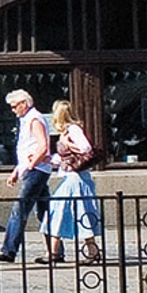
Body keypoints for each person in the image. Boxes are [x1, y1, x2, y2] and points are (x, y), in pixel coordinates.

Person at [0, 87, 56, 262]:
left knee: (19, 209)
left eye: (14, 106)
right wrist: (17, 170)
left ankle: (9, 250)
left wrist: (30, 164)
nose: (13, 110)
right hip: (33, 170)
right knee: (44, 212)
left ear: (24, 103)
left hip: (36, 171)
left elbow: (43, 145)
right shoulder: (27, 119)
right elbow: (25, 148)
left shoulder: (35, 118)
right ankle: (55, 251)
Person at [45, 109, 101, 264]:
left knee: (63, 211)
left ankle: (54, 253)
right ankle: (92, 251)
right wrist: (48, 159)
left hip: (76, 178)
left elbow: (86, 149)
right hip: (70, 176)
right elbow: (65, 158)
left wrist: (68, 143)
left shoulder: (73, 130)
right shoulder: (67, 132)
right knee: (65, 212)